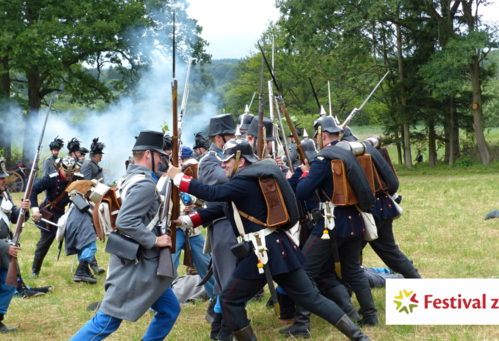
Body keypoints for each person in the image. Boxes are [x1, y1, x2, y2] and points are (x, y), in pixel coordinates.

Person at [168, 139, 370, 341]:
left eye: (227, 160)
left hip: (261, 251)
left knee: (230, 300)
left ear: (240, 161)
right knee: (312, 299)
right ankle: (360, 337)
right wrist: (186, 220)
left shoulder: (244, 181)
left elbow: (212, 193)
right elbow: (221, 207)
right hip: (277, 248)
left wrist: (180, 179)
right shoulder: (250, 180)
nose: (222, 164)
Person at [70, 130, 180, 341]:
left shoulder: (130, 176)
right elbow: (126, 221)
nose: (162, 161)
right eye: (159, 156)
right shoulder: (145, 183)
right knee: (107, 321)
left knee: (169, 310)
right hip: (136, 265)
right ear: (148, 154)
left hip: (142, 264)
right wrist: (154, 240)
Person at [281, 116, 378, 337]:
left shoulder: (324, 159)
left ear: (322, 135)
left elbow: (303, 192)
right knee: (353, 270)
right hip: (354, 219)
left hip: (331, 223)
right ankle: (370, 316)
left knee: (305, 272)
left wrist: (304, 173)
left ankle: (301, 324)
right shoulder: (348, 153)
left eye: (317, 135)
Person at [342, 127, 421, 279]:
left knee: (350, 258)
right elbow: (392, 182)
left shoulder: (351, 155)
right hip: (384, 206)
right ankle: (416, 280)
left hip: (366, 211)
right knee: (390, 251)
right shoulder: (370, 150)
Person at [197, 114, 237, 341]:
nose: (234, 139)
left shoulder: (227, 156)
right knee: (229, 281)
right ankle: (225, 332)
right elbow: (229, 179)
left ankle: (219, 327)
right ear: (220, 138)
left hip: (235, 224)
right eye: (231, 136)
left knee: (226, 281)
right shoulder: (209, 160)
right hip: (222, 223)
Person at [171, 146, 215, 297]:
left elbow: (202, 199)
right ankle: (156, 302)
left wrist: (193, 203)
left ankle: (217, 297)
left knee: (206, 264)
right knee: (168, 267)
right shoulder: (164, 180)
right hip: (173, 229)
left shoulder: (189, 178)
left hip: (191, 228)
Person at [29, 156, 82, 278]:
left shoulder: (79, 178)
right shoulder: (51, 178)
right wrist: (36, 210)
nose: (69, 175)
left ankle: (87, 268)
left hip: (70, 214)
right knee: (44, 243)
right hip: (51, 214)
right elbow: (34, 190)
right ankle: (35, 271)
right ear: (60, 168)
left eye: (71, 173)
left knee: (82, 238)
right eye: (66, 172)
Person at [0, 158, 31, 333]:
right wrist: (5, 248)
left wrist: (23, 210)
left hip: (4, 249)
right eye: (0, 177)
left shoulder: (4, 194)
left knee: (8, 285)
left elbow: (13, 216)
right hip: (4, 248)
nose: (4, 179)